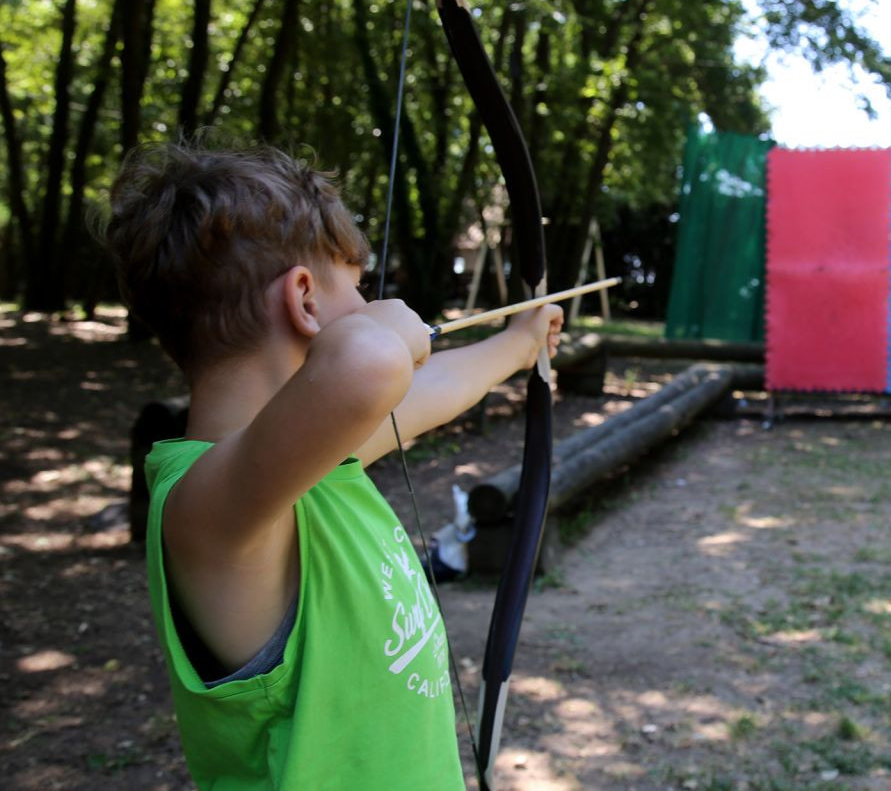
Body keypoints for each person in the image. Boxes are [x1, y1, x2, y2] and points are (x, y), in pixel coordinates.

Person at [101, 142, 562, 789]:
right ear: (306, 301)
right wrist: (391, 329)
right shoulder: (206, 512)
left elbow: (426, 390)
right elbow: (366, 368)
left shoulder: (305, 465)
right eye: (359, 286)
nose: (374, 303)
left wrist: (519, 342)